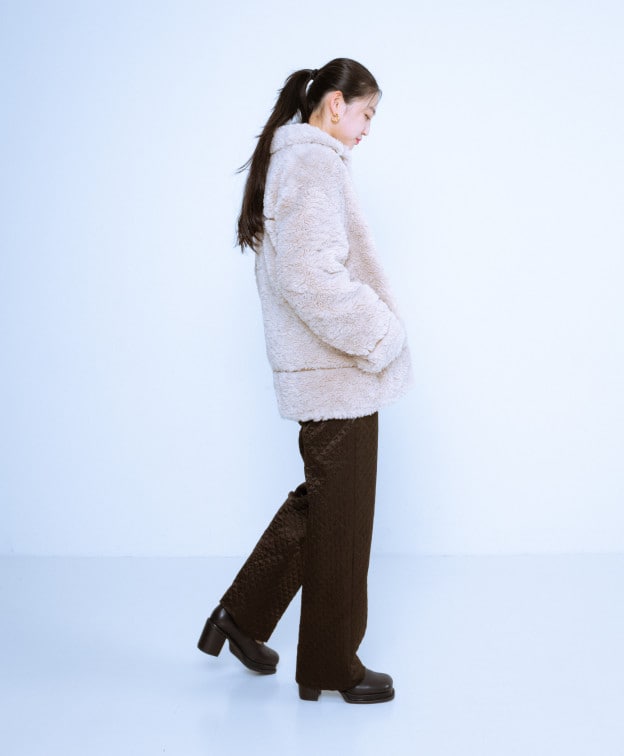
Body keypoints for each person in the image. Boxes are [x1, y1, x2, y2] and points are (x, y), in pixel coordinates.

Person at [197, 58, 412, 704]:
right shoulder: (314, 163)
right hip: (337, 373)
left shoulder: (297, 160)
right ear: (336, 104)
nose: (368, 129)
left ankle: (240, 617)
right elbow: (309, 276)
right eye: (367, 113)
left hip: (326, 373)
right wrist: (381, 333)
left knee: (323, 506)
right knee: (342, 521)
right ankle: (330, 666)